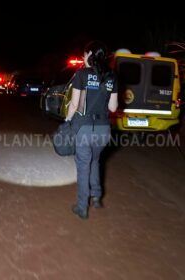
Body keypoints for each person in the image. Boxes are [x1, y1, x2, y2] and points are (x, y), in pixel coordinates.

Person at [65, 40, 118, 219]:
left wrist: (67, 120)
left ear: (89, 55)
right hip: (103, 130)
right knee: (95, 161)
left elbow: (74, 104)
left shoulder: (81, 74)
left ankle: (82, 207)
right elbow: (112, 107)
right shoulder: (111, 76)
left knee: (83, 166)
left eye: (84, 54)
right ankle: (96, 196)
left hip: (84, 129)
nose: (83, 57)